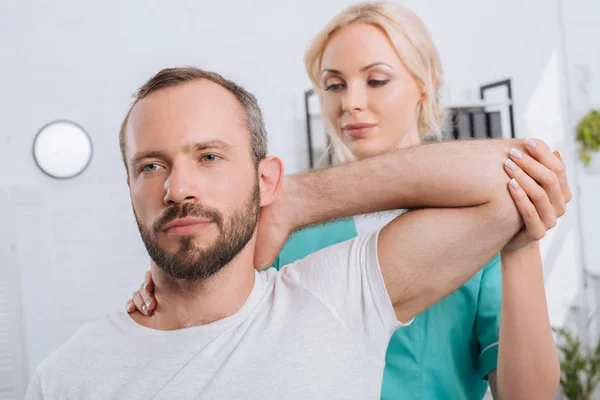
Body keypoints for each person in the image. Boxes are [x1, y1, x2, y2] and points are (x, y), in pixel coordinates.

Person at [26, 66, 567, 399]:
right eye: (150, 166)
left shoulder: (333, 299)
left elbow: (511, 175)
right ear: (128, 187)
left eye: (209, 156)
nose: (178, 187)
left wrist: (297, 200)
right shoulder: (68, 376)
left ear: (266, 180)